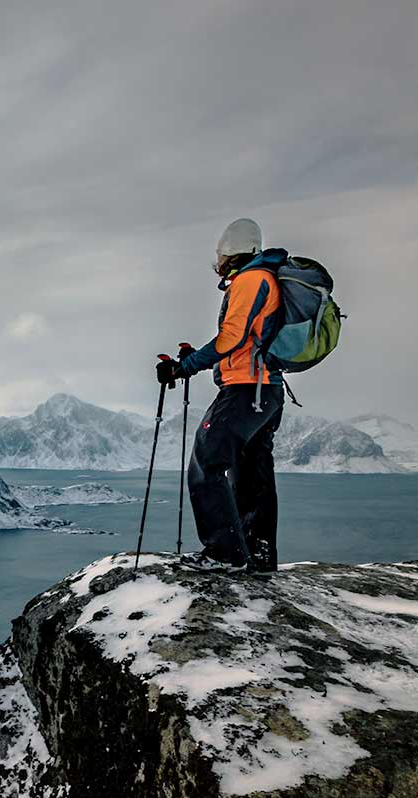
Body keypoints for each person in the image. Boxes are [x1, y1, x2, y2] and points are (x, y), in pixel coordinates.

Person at [156, 218, 286, 572]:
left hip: (246, 390)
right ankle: (257, 555)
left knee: (207, 463)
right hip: (268, 391)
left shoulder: (250, 280)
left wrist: (187, 366)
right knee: (253, 473)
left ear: (230, 253)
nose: (219, 261)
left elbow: (233, 337)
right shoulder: (267, 278)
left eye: (220, 254)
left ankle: (224, 555)